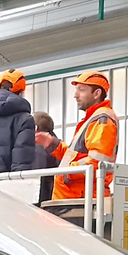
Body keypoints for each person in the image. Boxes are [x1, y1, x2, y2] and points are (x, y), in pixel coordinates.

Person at [37, 70, 118, 201]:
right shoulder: (93, 119)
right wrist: (52, 143)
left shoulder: (102, 120)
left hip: (82, 199)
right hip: (76, 198)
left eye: (81, 90)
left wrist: (65, 173)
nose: (75, 95)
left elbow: (97, 163)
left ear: (97, 93)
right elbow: (77, 157)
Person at [32, 111, 61, 203]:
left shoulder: (38, 146)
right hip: (56, 192)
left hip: (42, 195)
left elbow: (37, 174)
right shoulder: (58, 143)